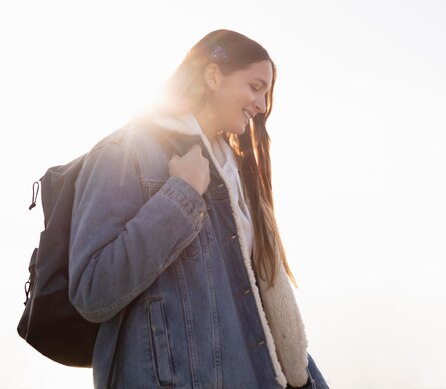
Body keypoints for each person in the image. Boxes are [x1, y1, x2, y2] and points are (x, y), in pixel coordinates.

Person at [68, 29, 329, 389]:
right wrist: (182, 196)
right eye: (255, 87)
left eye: (266, 94)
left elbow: (261, 308)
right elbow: (93, 292)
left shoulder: (236, 173)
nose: (262, 105)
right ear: (212, 76)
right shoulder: (125, 151)